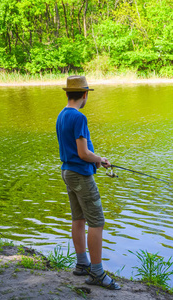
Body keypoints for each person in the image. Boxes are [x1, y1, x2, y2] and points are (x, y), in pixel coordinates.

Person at [56, 75, 120, 290]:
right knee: (97, 222)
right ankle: (96, 272)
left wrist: (96, 159)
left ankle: (82, 264)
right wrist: (100, 159)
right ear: (85, 94)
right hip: (80, 175)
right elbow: (83, 153)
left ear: (67, 93)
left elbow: (76, 151)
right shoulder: (79, 117)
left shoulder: (61, 115)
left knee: (79, 218)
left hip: (67, 172)